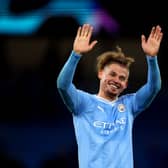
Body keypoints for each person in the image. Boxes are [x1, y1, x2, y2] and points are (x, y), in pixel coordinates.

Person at [57, 24, 163, 168]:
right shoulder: (83, 103)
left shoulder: (129, 105)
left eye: (122, 78)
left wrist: (152, 58)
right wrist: (75, 55)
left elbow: (154, 87)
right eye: (112, 74)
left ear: (125, 84)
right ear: (101, 73)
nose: (116, 80)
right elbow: (63, 86)